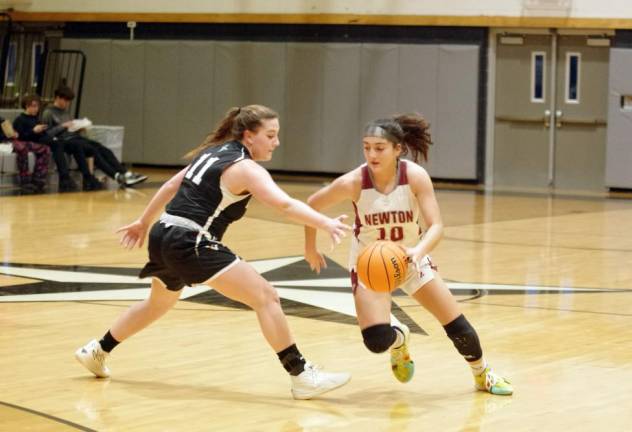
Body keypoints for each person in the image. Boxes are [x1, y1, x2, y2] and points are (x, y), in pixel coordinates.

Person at [75, 105, 352, 400]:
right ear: (248, 135)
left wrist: (144, 222)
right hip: (191, 241)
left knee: (157, 304)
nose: (276, 142)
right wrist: (324, 222)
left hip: (163, 233)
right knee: (266, 296)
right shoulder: (245, 168)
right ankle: (301, 375)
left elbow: (171, 184)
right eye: (270, 135)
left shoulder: (212, 153)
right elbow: (283, 205)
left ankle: (98, 350)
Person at [304, 114, 513, 395]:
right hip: (370, 264)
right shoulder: (354, 181)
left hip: (411, 257)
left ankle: (482, 374)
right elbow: (312, 204)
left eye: (379, 148)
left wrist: (419, 251)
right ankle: (399, 339)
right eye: (366, 147)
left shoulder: (414, 177)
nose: (371, 154)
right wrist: (310, 246)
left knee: (456, 324)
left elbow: (436, 226)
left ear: (397, 149)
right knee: (376, 340)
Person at [41, 85, 147, 189]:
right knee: (92, 150)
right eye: (66, 100)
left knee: (102, 148)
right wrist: (62, 126)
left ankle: (126, 173)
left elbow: (69, 127)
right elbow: (47, 134)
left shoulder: (65, 112)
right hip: (63, 141)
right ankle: (117, 176)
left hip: (74, 137)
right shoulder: (48, 113)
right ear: (58, 98)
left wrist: (78, 127)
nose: (67, 104)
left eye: (69, 101)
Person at [13, 94, 83, 192]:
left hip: (37, 141)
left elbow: (41, 134)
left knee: (51, 146)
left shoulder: (36, 118)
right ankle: (26, 182)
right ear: (26, 106)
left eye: (37, 106)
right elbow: (19, 136)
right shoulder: (19, 119)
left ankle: (39, 180)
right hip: (26, 142)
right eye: (33, 106)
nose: (36, 109)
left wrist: (43, 132)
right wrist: (33, 131)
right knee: (49, 145)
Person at [0, 115, 50, 193]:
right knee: (21, 148)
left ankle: (38, 179)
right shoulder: (19, 119)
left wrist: (14, 134)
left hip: (10, 142)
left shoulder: (2, 119)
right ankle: (24, 181)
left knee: (45, 148)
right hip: (4, 143)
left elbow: (11, 133)